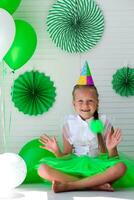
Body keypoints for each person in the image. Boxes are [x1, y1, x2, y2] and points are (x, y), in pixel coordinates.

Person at [37, 62, 127, 192]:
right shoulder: (68, 124)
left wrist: (111, 148)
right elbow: (66, 156)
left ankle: (71, 185)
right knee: (42, 169)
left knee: (120, 167)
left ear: (97, 103)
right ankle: (93, 186)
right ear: (74, 104)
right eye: (80, 101)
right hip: (75, 167)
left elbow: (114, 159)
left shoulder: (105, 122)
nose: (85, 105)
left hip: (98, 169)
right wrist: (57, 151)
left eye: (90, 101)